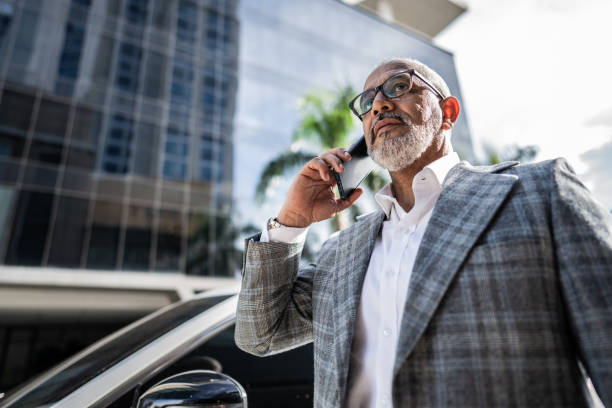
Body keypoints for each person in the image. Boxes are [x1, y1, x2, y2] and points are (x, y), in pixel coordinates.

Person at [235, 58, 612, 407]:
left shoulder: (540, 192)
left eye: (399, 86)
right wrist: (292, 220)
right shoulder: (340, 251)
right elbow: (259, 335)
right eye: (367, 102)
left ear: (447, 113)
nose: (379, 104)